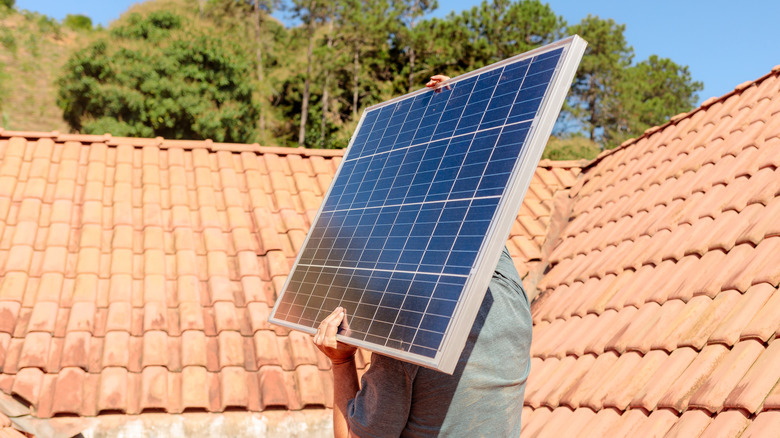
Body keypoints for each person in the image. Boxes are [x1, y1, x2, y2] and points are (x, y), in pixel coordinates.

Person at [312, 74, 533, 438]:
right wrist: (463, 111)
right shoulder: (509, 292)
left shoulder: (409, 340)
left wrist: (341, 362)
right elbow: (484, 183)